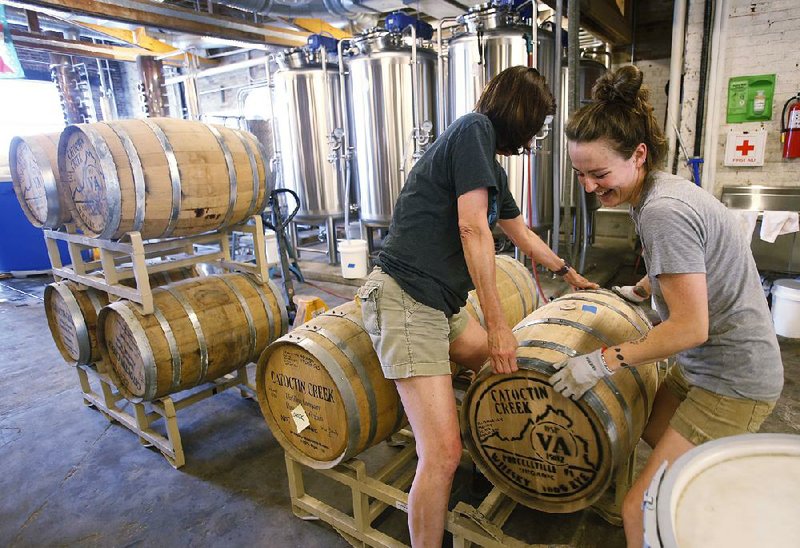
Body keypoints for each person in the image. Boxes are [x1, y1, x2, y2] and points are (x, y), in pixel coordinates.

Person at [356, 65, 598, 547]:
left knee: (497, 371)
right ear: (519, 114)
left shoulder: (489, 163)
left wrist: (570, 274)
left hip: (438, 305)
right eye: (534, 126)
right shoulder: (474, 129)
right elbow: (473, 228)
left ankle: (487, 464)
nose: (532, 138)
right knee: (441, 453)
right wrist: (500, 326)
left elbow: (520, 231)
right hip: (406, 299)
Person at [550, 65, 784, 547]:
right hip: (704, 368)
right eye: (580, 174)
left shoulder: (662, 211)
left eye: (599, 174)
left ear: (638, 155)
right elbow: (687, 267)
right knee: (653, 432)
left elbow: (689, 328)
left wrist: (601, 361)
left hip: (734, 377)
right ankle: (707, 507)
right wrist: (640, 290)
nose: (590, 187)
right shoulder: (657, 190)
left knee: (640, 506)